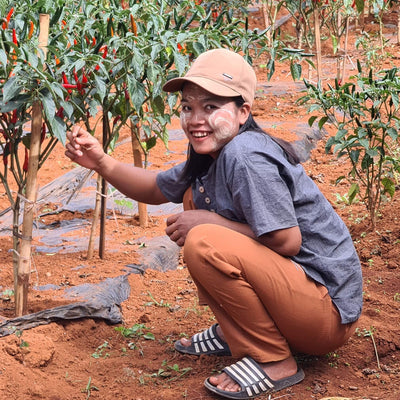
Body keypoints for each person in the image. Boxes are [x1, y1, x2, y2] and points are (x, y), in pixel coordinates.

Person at [65, 48, 363, 399]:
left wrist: (209, 223)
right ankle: (235, 330)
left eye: (210, 107)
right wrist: (101, 161)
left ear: (243, 112)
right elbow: (156, 188)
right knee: (194, 203)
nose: (195, 118)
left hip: (324, 314)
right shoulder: (212, 156)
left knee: (204, 238)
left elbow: (287, 241)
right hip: (297, 298)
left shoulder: (246, 154)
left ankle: (273, 360)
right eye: (188, 107)